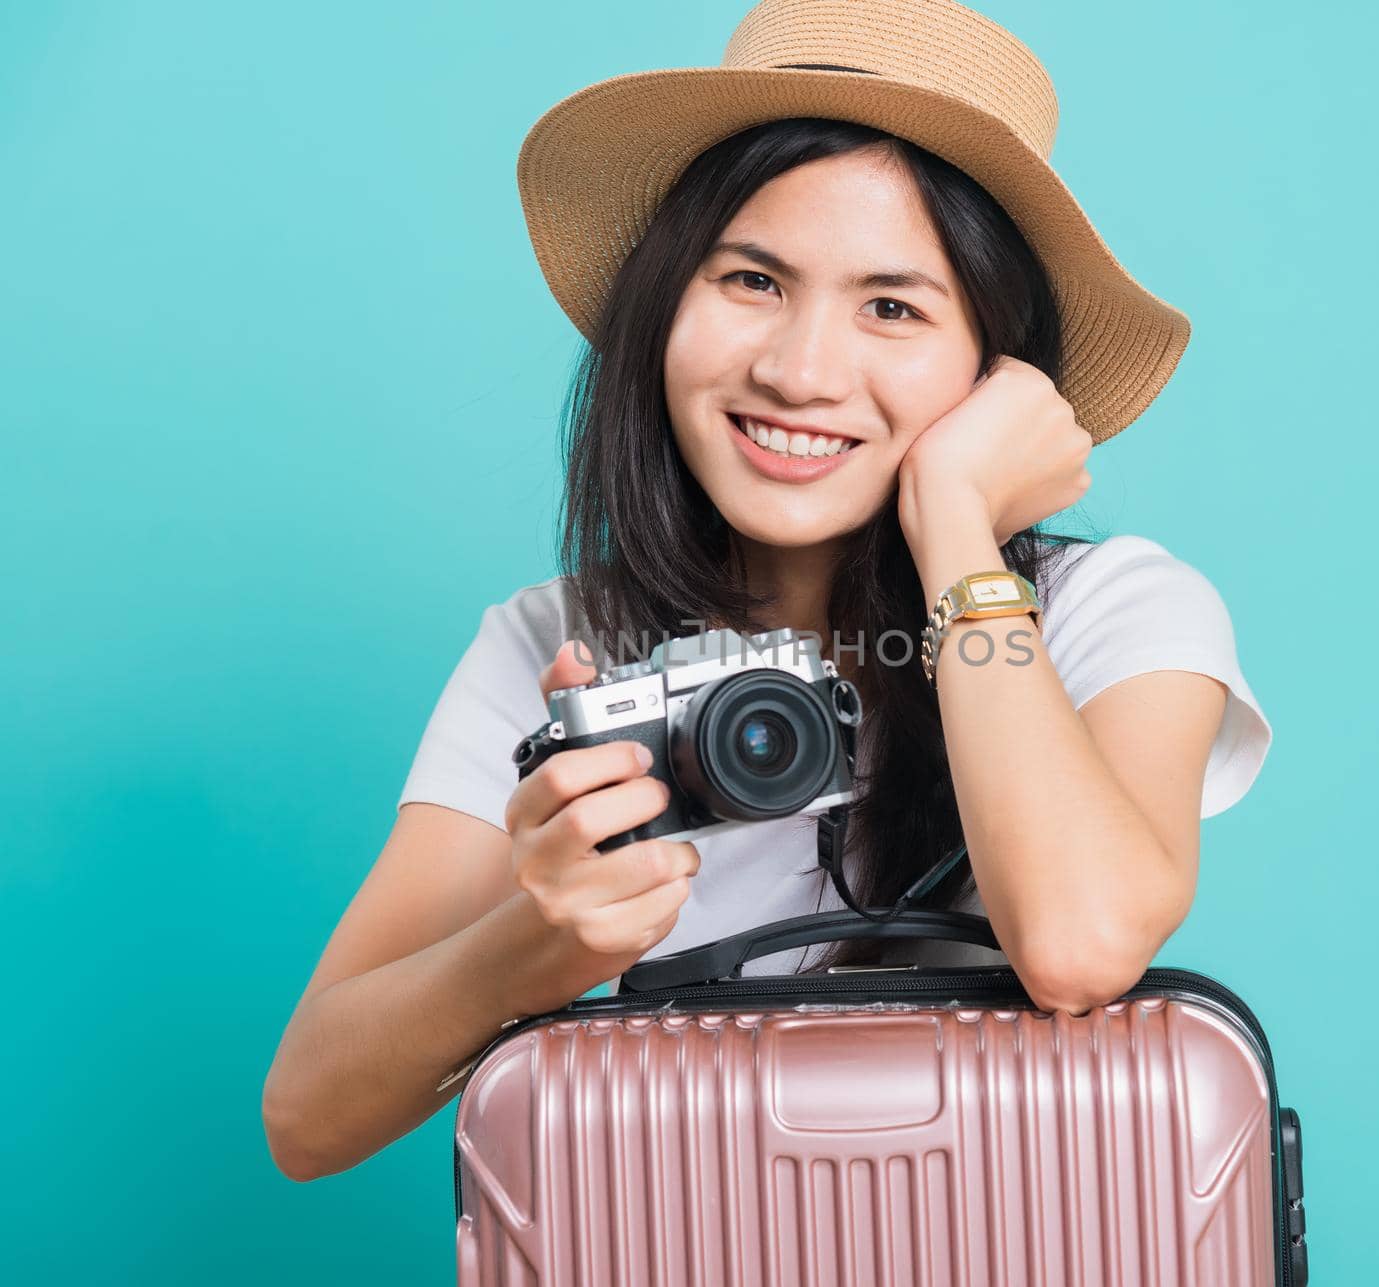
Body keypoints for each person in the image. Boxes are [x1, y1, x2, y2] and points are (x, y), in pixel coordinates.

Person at [262, 0, 1272, 1184]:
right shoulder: (557, 644)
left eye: (892, 306)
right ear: (664, 305)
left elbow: (1077, 944)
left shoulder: (1118, 614)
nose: (797, 371)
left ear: (998, 370)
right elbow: (308, 1117)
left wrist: (957, 528)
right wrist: (533, 941)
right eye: (751, 279)